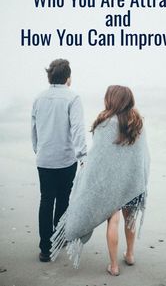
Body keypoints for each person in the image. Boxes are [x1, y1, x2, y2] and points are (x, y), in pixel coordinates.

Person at [50, 85, 150, 276]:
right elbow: (143, 156)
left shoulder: (104, 123)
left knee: (114, 220)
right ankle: (130, 255)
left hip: (110, 184)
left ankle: (113, 266)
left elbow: (97, 157)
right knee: (130, 218)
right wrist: (140, 178)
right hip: (132, 182)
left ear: (111, 99)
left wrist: (87, 173)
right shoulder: (138, 122)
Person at [31, 59, 87, 262]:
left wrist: (39, 150)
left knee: (46, 200)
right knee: (63, 198)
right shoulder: (73, 98)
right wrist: (83, 156)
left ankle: (45, 249)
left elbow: (34, 130)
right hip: (65, 160)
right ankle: (58, 239)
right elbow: (78, 130)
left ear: (49, 76)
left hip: (44, 159)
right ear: (68, 78)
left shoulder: (39, 98)